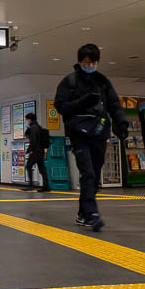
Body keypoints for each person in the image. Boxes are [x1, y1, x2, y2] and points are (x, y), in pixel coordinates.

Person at [54, 44, 128, 231]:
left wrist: (122, 123)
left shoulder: (102, 81)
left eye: (94, 62)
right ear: (80, 62)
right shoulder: (69, 82)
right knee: (87, 173)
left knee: (93, 175)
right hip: (78, 134)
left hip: (99, 133)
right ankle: (91, 214)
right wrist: (82, 102)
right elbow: (61, 106)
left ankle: (82, 213)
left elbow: (113, 104)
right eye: (88, 62)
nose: (91, 65)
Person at [24, 113, 51, 192]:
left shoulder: (33, 128)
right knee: (42, 168)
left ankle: (31, 185)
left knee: (28, 166)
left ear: (29, 119)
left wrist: (30, 149)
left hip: (36, 151)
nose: (27, 121)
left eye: (27, 120)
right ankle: (46, 186)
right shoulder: (39, 127)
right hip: (41, 151)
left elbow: (33, 140)